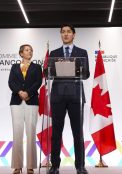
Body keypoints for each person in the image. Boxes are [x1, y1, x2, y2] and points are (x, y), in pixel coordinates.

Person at [47, 24, 90, 174]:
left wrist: (77, 68)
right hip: (58, 96)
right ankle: (54, 166)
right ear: (60, 34)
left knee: (78, 133)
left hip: (75, 96)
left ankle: (80, 166)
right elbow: (48, 73)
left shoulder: (82, 52)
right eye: (63, 32)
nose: (66, 34)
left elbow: (87, 74)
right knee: (56, 133)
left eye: (68, 32)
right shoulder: (53, 53)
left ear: (74, 34)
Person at [8, 44, 42, 174]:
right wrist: (19, 92)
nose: (30, 52)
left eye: (31, 50)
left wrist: (28, 92)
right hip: (16, 102)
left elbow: (38, 82)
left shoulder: (37, 67)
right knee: (17, 133)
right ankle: (17, 166)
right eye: (27, 50)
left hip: (32, 101)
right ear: (21, 53)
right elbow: (11, 82)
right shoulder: (14, 67)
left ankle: (30, 166)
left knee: (31, 133)